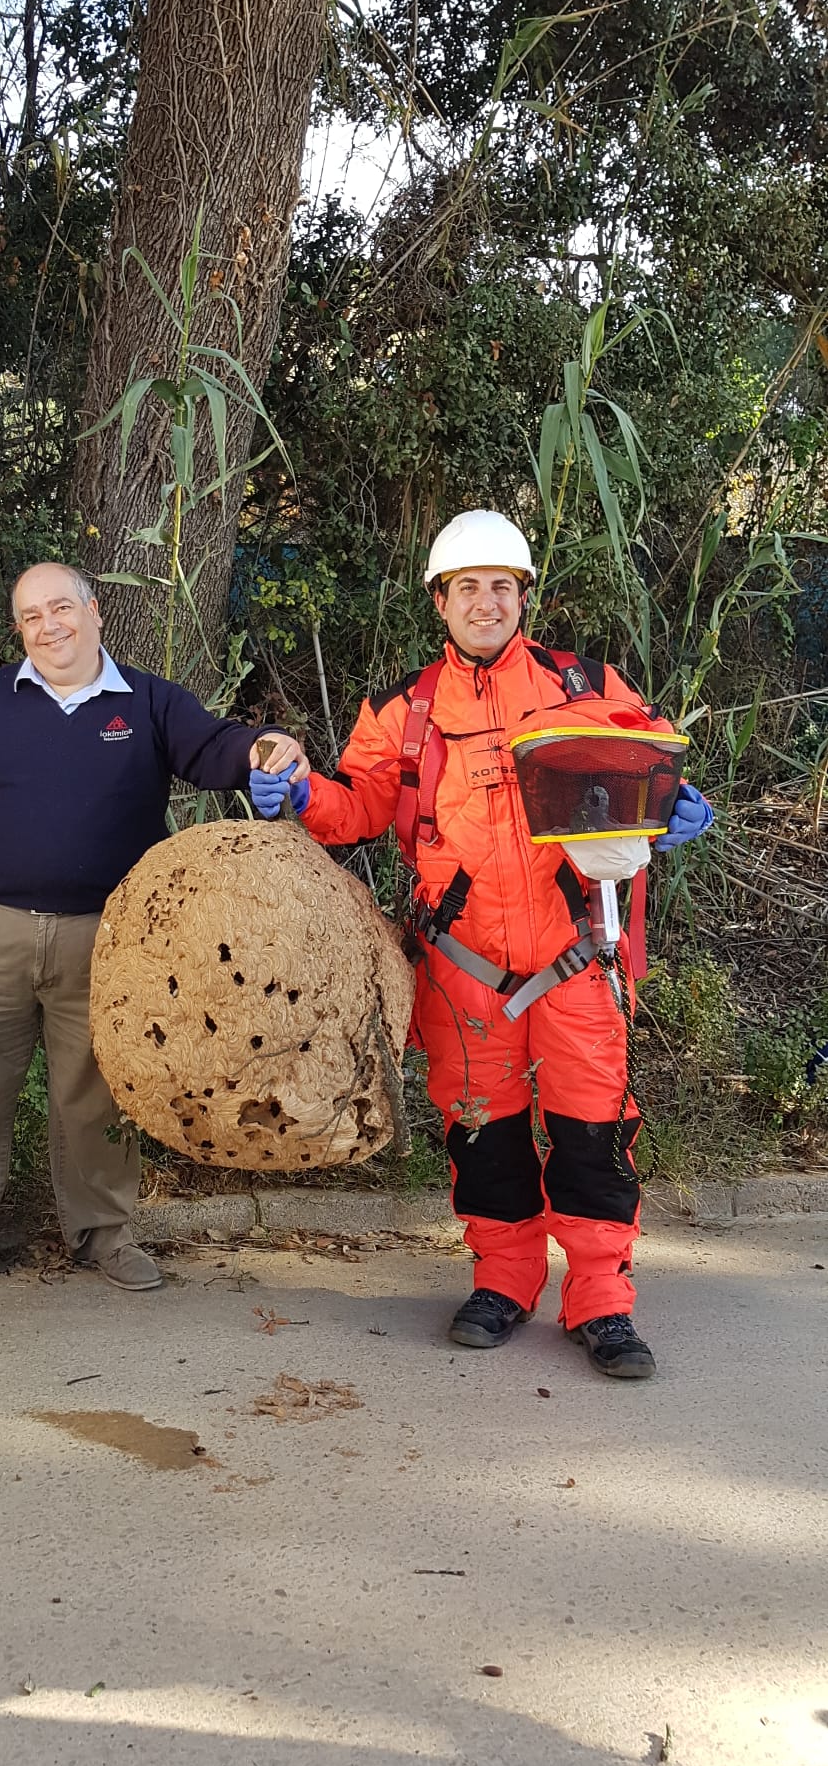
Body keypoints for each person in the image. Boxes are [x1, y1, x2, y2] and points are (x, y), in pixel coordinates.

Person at [249, 511, 712, 1378]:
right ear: (441, 601)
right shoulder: (405, 713)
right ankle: (503, 1281)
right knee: (483, 1133)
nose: (486, 601)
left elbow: (652, 768)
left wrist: (676, 806)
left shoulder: (586, 685)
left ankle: (602, 1300)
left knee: (592, 1133)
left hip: (577, 959)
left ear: (524, 597)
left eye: (503, 585)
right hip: (464, 969)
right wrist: (298, 792)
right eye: (468, 587)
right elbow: (356, 806)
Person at [0, 561, 306, 1305]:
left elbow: (214, 749)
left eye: (61, 608)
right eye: (32, 615)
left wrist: (267, 749)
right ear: (20, 629)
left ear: (94, 612)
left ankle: (104, 1234)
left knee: (99, 1093)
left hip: (107, 941)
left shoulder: (145, 702)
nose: (49, 626)